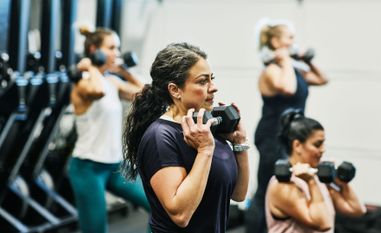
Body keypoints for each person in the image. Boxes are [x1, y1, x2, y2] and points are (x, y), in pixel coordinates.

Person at [123, 42, 250, 233]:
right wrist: (205, 150)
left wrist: (239, 144)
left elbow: (238, 195)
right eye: (202, 81)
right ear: (175, 90)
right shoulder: (160, 137)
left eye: (212, 79)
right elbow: (180, 215)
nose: (213, 88)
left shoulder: (204, 128)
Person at [245, 19, 329, 233]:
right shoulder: (272, 70)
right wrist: (285, 62)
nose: (294, 42)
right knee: (267, 187)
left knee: (287, 184)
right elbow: (289, 89)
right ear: (275, 41)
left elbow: (322, 79)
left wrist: (306, 61)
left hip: (292, 135)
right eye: (290, 38)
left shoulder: (294, 69)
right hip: (272, 135)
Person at [68, 27, 150, 233]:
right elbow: (97, 91)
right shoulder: (83, 83)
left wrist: (123, 71)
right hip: (88, 169)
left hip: (115, 165)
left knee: (160, 207)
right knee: (95, 229)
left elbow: (146, 94)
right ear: (95, 49)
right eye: (112, 48)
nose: (117, 53)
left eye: (118, 48)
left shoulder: (112, 81)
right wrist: (93, 66)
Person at [265, 109, 366, 232]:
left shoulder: (318, 176)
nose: (323, 149)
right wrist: (311, 182)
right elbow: (323, 224)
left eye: (323, 144)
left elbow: (357, 210)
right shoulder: (283, 185)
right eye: (317, 145)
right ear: (297, 146)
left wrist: (341, 181)